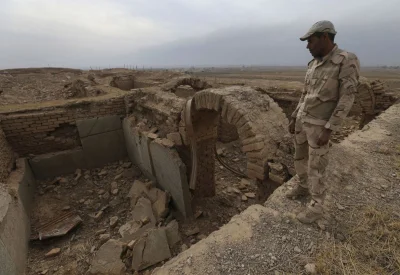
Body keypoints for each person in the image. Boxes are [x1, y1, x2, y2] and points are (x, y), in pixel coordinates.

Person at [286, 20, 360, 224]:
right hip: (302, 120)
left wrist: (330, 129)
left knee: (317, 167)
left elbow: (347, 97)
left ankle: (317, 207)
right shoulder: (313, 64)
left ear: (324, 37)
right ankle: (302, 186)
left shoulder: (346, 60)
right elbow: (305, 93)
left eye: (310, 41)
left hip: (319, 126)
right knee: (299, 158)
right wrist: (294, 116)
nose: (307, 46)